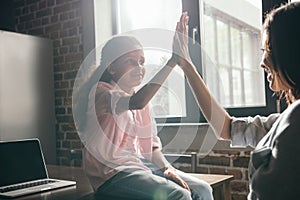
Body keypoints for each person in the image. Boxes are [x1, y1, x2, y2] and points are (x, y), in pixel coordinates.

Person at [74, 13, 213, 200]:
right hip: (111, 174)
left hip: (141, 167)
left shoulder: (141, 103)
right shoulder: (101, 93)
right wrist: (173, 61)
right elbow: (137, 103)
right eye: (130, 62)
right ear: (111, 68)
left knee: (203, 189)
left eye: (141, 62)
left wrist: (167, 170)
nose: (139, 67)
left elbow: (152, 147)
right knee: (178, 195)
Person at [174, 3, 300, 200]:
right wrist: (187, 66)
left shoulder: (297, 117)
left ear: (291, 51)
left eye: (267, 49)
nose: (262, 61)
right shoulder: (285, 120)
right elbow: (226, 128)